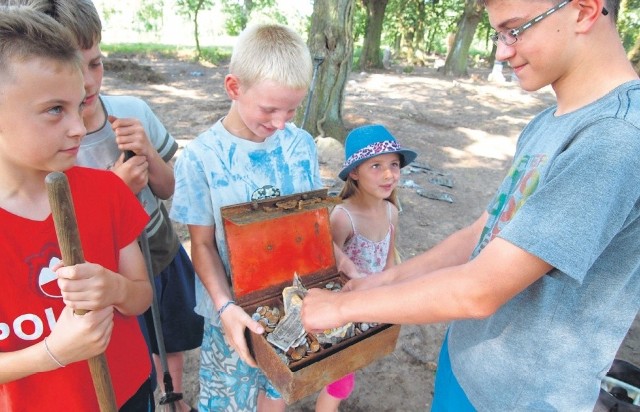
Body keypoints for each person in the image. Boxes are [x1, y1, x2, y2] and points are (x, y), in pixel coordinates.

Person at [302, 0, 640, 410]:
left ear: (585, 11)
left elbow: (480, 290)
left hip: (520, 397)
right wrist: (380, 282)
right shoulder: (547, 123)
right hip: (467, 360)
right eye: (499, 34)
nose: (502, 51)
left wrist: (342, 307)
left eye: (516, 29)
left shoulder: (615, 139)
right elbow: (483, 230)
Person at [21, 1, 204, 410]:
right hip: (104, 271)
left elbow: (167, 187)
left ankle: (172, 395)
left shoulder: (132, 112)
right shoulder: (49, 148)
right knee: (132, 338)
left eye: (95, 64)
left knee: (171, 334)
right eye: (72, 67)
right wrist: (116, 189)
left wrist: (150, 157)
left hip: (159, 253)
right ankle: (154, 386)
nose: (87, 82)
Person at [0, 6, 154, 410]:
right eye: (55, 110)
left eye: (80, 105)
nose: (79, 128)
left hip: (127, 392)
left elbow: (141, 296)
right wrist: (52, 352)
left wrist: (115, 288)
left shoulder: (106, 191)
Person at [169, 23, 328, 412]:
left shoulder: (300, 145)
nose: (280, 122)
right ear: (234, 87)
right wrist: (224, 307)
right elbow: (202, 244)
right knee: (229, 403)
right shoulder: (200, 159)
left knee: (277, 392)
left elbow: (314, 224)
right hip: (232, 315)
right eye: (270, 108)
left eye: (292, 109)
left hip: (292, 308)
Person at [315, 124, 417, 412]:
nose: (389, 174)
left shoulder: (392, 211)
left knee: (350, 369)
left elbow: (388, 263)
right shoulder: (342, 216)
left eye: (394, 165)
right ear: (354, 172)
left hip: (372, 308)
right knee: (340, 382)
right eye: (376, 166)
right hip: (343, 312)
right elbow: (326, 268)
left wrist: (389, 296)